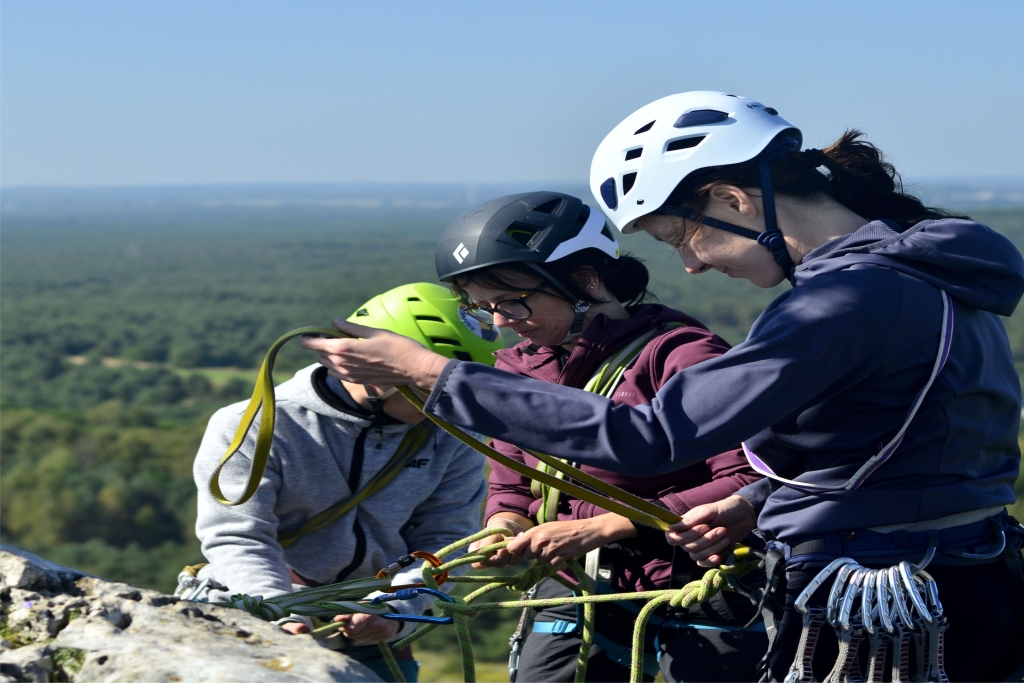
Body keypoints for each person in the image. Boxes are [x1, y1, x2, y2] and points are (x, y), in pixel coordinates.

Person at [303, 91, 1024, 681]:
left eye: (681, 236)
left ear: (732, 199)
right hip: (948, 583)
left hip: (883, 601)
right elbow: (897, 443)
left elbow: (647, 436)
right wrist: (752, 501)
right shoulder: (920, 277)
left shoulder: (846, 300)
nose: (690, 266)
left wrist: (426, 371)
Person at [433, 190, 765, 682]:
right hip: (577, 585)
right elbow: (513, 487)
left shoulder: (680, 358)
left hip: (698, 583)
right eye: (483, 308)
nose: (501, 322)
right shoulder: (515, 373)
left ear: (586, 282)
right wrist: (507, 527)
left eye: (512, 302)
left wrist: (610, 525)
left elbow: (745, 477)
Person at [191, 282, 502, 682]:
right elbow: (238, 537)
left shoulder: (452, 434)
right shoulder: (257, 425)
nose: (447, 405)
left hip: (377, 637)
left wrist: (396, 610)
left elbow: (446, 538)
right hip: (255, 622)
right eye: (432, 388)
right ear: (378, 372)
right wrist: (277, 611)